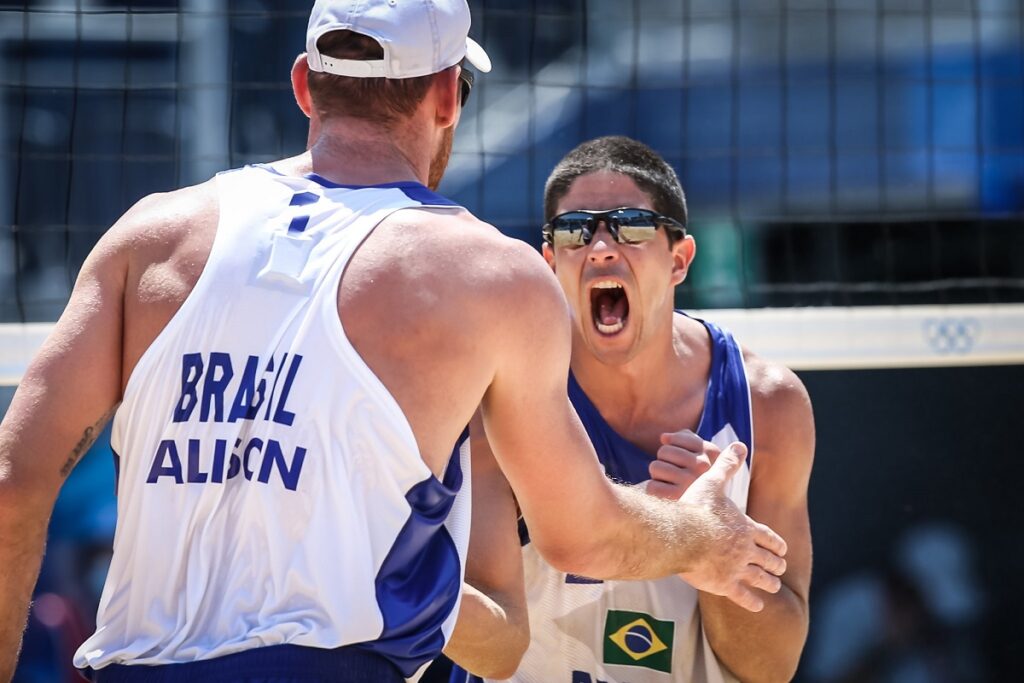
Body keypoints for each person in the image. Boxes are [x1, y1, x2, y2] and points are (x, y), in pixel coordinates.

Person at [0, 3, 789, 682]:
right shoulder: (489, 273)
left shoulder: (150, 236)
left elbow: (11, 483)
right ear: (448, 96)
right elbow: (580, 535)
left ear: (305, 85)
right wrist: (705, 536)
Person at [452, 136, 815, 683]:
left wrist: (717, 556)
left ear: (680, 259)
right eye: (575, 229)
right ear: (550, 262)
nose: (600, 247)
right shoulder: (496, 396)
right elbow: (493, 651)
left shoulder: (768, 404)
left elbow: (772, 667)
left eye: (631, 225)